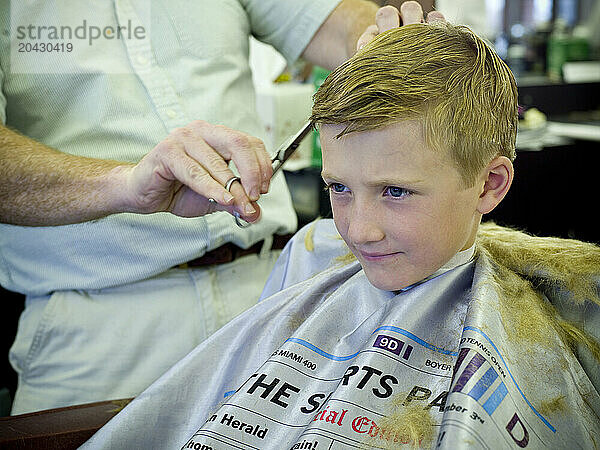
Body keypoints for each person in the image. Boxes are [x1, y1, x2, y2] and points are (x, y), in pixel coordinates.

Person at [81, 21, 600, 449]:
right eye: (339, 187)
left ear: (490, 185)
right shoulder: (314, 253)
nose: (356, 229)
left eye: (395, 191)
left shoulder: (572, 296)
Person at [0, 0, 444, 415]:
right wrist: (125, 185)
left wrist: (377, 41)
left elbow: (336, 23)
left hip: (270, 292)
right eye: (340, 187)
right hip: (97, 322)